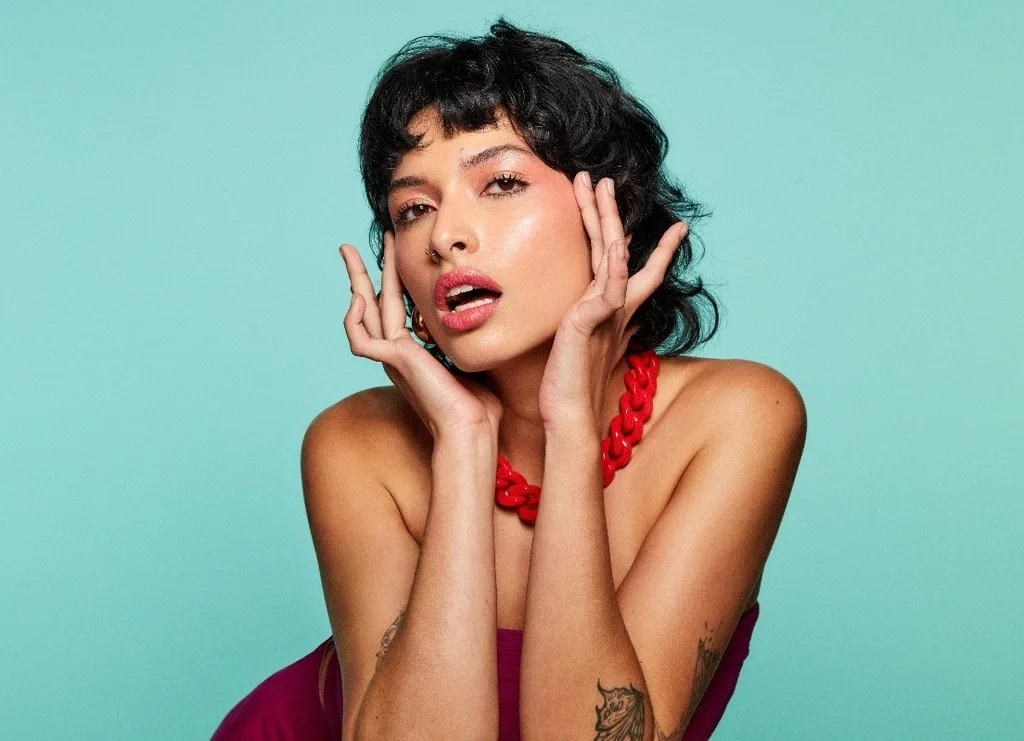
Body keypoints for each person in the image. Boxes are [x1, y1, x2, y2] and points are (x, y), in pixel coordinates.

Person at [211, 18, 806, 741]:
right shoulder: (355, 442)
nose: (444, 236)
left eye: (499, 182)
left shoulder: (736, 417)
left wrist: (570, 424)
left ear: (609, 210)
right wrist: (463, 440)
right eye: (413, 208)